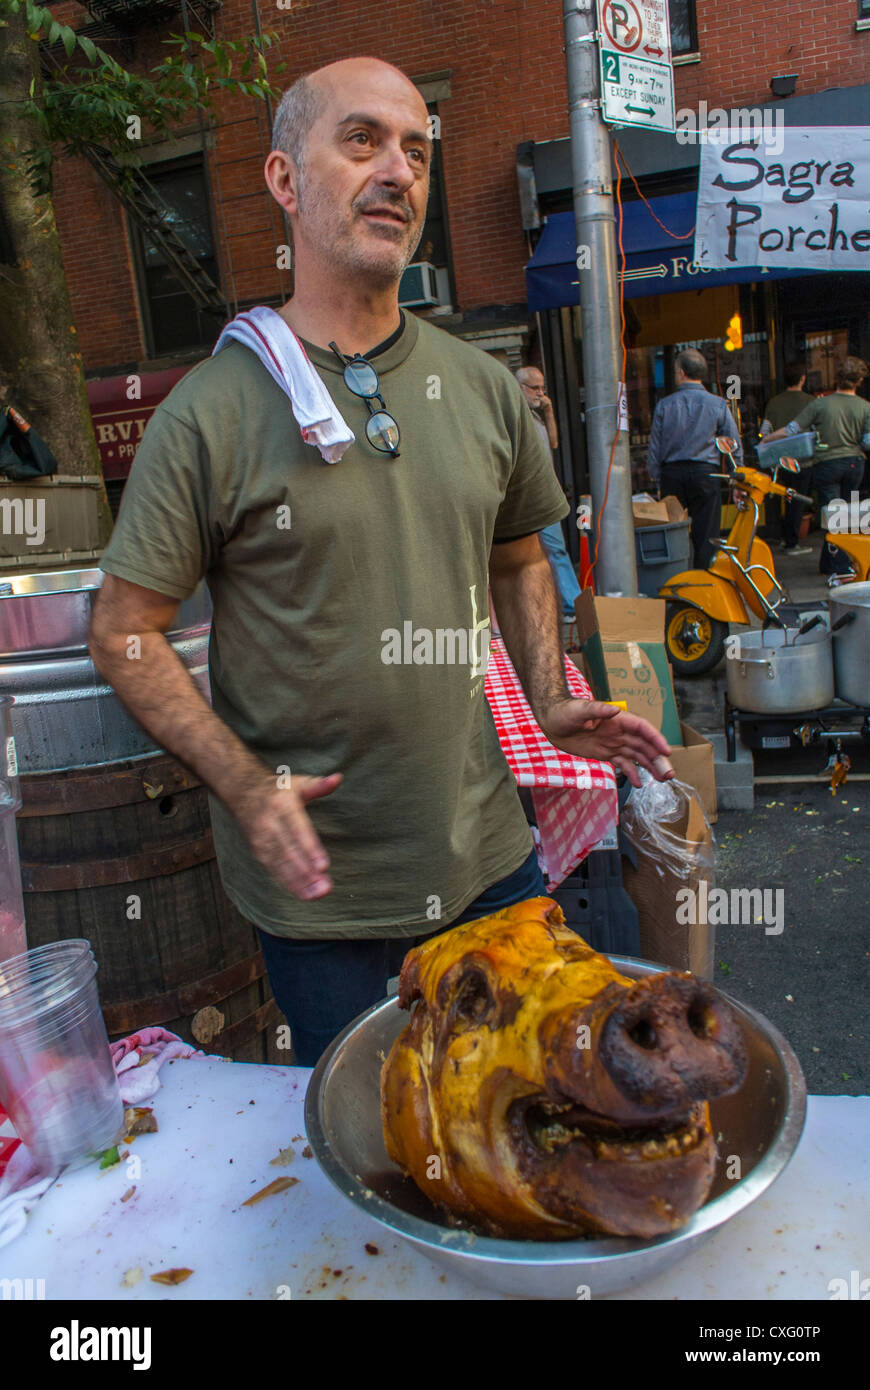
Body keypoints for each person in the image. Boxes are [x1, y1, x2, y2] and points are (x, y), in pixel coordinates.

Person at [89, 57, 673, 1068]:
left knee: (538, 1091)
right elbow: (122, 629)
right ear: (284, 179)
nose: (398, 169)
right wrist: (242, 782)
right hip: (329, 903)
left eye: (415, 146)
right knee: (382, 1150)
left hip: (492, 860)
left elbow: (520, 553)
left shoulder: (481, 386)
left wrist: (544, 694)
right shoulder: (212, 410)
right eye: (360, 140)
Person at [765, 356, 870, 577]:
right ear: (859, 381)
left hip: (828, 465)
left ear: (837, 378)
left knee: (833, 515)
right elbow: (868, 442)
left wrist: (767, 439)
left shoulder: (820, 404)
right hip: (854, 465)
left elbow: (792, 429)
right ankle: (832, 563)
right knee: (848, 515)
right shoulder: (865, 406)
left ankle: (839, 568)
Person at [646, 348, 743, 570]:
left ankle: (676, 578)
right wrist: (737, 475)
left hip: (672, 475)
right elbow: (732, 444)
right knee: (707, 535)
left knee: (673, 534)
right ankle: (704, 582)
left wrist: (658, 479)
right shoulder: (718, 404)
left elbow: (655, 450)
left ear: (681, 373)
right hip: (705, 474)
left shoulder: (664, 405)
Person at [515, 365, 581, 621]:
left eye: (543, 387)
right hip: (531, 495)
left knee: (550, 550)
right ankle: (570, 605)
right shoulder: (518, 416)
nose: (541, 393)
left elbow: (553, 443)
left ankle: (567, 605)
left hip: (541, 494)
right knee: (548, 551)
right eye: (535, 388)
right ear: (521, 387)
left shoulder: (536, 415)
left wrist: (550, 411)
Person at [760, 363, 815, 556]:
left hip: (779, 460)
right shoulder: (811, 401)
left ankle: (784, 537)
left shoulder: (774, 402)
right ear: (802, 379)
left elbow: (764, 431)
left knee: (784, 497)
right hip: (803, 460)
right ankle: (792, 543)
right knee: (797, 501)